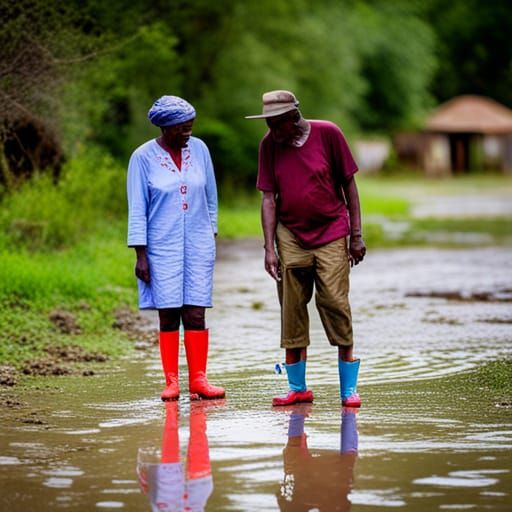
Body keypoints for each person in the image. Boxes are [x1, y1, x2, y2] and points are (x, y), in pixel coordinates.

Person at [246, 90, 366, 407]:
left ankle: (348, 390)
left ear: (293, 118)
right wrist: (269, 248)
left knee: (335, 302)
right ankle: (298, 388)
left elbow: (349, 186)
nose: (271, 130)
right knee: (292, 305)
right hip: (290, 233)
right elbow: (268, 198)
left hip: (331, 230)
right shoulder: (269, 146)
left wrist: (356, 234)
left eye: (275, 123)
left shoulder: (328, 134)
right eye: (267, 123)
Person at [127, 95, 225, 401]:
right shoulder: (142, 158)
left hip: (197, 242)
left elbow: (210, 197)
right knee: (168, 313)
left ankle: (199, 380)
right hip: (161, 246)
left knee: (196, 312)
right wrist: (140, 254)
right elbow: (137, 208)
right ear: (166, 128)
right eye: (182, 128)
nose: (188, 133)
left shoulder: (200, 150)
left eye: (190, 127)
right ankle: (171, 382)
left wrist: (211, 234)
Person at [276, 405, 359, 510]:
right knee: (294, 454)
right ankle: (349, 403)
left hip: (322, 478)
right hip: (318, 479)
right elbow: (281, 497)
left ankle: (349, 408)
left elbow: (282, 498)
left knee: (348, 459)